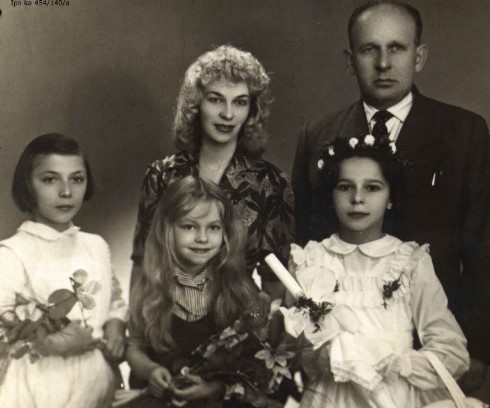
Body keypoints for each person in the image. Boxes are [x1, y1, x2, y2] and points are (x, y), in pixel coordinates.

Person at [292, 0, 490, 395]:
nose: (383, 63)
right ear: (351, 60)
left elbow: (483, 252)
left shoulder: (464, 132)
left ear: (419, 56)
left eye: (396, 48)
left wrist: (481, 355)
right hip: (348, 363)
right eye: (370, 49)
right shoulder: (319, 135)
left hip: (435, 356)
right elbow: (308, 241)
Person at [288, 134, 469, 407]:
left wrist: (395, 364)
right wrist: (315, 356)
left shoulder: (409, 262)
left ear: (391, 197)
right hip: (327, 400)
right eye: (345, 187)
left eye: (372, 188)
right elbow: (287, 346)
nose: (357, 198)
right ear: (331, 196)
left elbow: (452, 352)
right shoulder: (310, 259)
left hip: (393, 399)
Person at [131, 45, 294, 300]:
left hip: (238, 318)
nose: (227, 114)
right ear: (196, 104)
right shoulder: (161, 176)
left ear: (251, 111)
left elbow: (275, 284)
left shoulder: (272, 184)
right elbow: (143, 266)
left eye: (240, 102)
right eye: (216, 99)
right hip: (169, 315)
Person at [0, 133, 127, 408]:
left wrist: (115, 328)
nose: (66, 191)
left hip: (95, 380)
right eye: (50, 180)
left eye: (77, 179)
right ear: (27, 185)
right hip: (40, 388)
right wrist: (50, 342)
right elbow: (3, 332)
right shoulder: (12, 253)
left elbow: (114, 302)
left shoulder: (96, 246)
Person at [125, 176, 259, 407]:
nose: (202, 238)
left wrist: (214, 387)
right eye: (189, 226)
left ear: (225, 232)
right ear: (167, 229)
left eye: (213, 228)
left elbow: (253, 362)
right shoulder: (150, 287)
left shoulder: (238, 288)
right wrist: (151, 370)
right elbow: (134, 348)